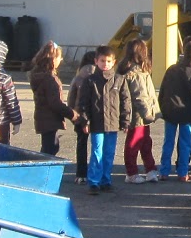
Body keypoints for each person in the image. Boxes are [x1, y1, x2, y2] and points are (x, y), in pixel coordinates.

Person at [75, 45, 128, 192]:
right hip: (97, 124)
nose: (105, 64)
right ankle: (94, 181)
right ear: (96, 61)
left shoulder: (119, 80)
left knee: (109, 153)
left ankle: (106, 180)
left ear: (114, 62)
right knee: (97, 151)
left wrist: (125, 120)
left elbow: (125, 101)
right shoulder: (90, 81)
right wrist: (85, 121)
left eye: (108, 61)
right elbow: (83, 103)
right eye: (102, 61)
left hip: (112, 123)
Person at [157, 37, 191, 180]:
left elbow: (163, 91)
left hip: (170, 111)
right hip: (188, 113)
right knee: (185, 143)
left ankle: (164, 171)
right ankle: (183, 172)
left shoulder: (172, 69)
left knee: (168, 142)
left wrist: (163, 108)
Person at [118, 39, 160, 179]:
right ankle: (132, 173)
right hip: (138, 116)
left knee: (145, 142)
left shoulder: (137, 71)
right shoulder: (135, 74)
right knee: (134, 143)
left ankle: (150, 169)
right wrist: (149, 114)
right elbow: (140, 97)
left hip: (141, 115)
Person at [29, 42, 76, 157]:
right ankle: (42, 171)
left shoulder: (38, 75)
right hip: (50, 118)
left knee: (50, 146)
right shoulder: (50, 79)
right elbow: (55, 103)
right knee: (50, 148)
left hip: (43, 117)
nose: (61, 60)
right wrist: (72, 114)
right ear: (53, 59)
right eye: (59, 58)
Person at [66, 49, 98, 184]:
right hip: (97, 115)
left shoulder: (78, 76)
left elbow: (70, 98)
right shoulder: (98, 76)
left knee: (81, 143)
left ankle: (81, 173)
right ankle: (97, 173)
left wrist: (74, 115)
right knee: (97, 145)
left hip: (80, 114)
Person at [0, 40, 24, 145]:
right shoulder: (4, 78)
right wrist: (17, 121)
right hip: (1, 122)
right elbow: (11, 101)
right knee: (2, 148)